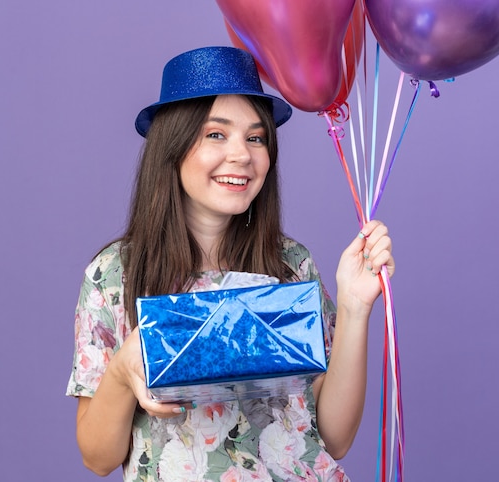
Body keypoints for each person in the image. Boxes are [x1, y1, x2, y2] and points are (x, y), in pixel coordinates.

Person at [66, 46, 394, 481]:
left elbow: (334, 438)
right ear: (173, 145)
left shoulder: (290, 264)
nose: (242, 154)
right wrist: (124, 372)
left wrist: (354, 307)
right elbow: (98, 458)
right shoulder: (113, 275)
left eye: (255, 137)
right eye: (216, 134)